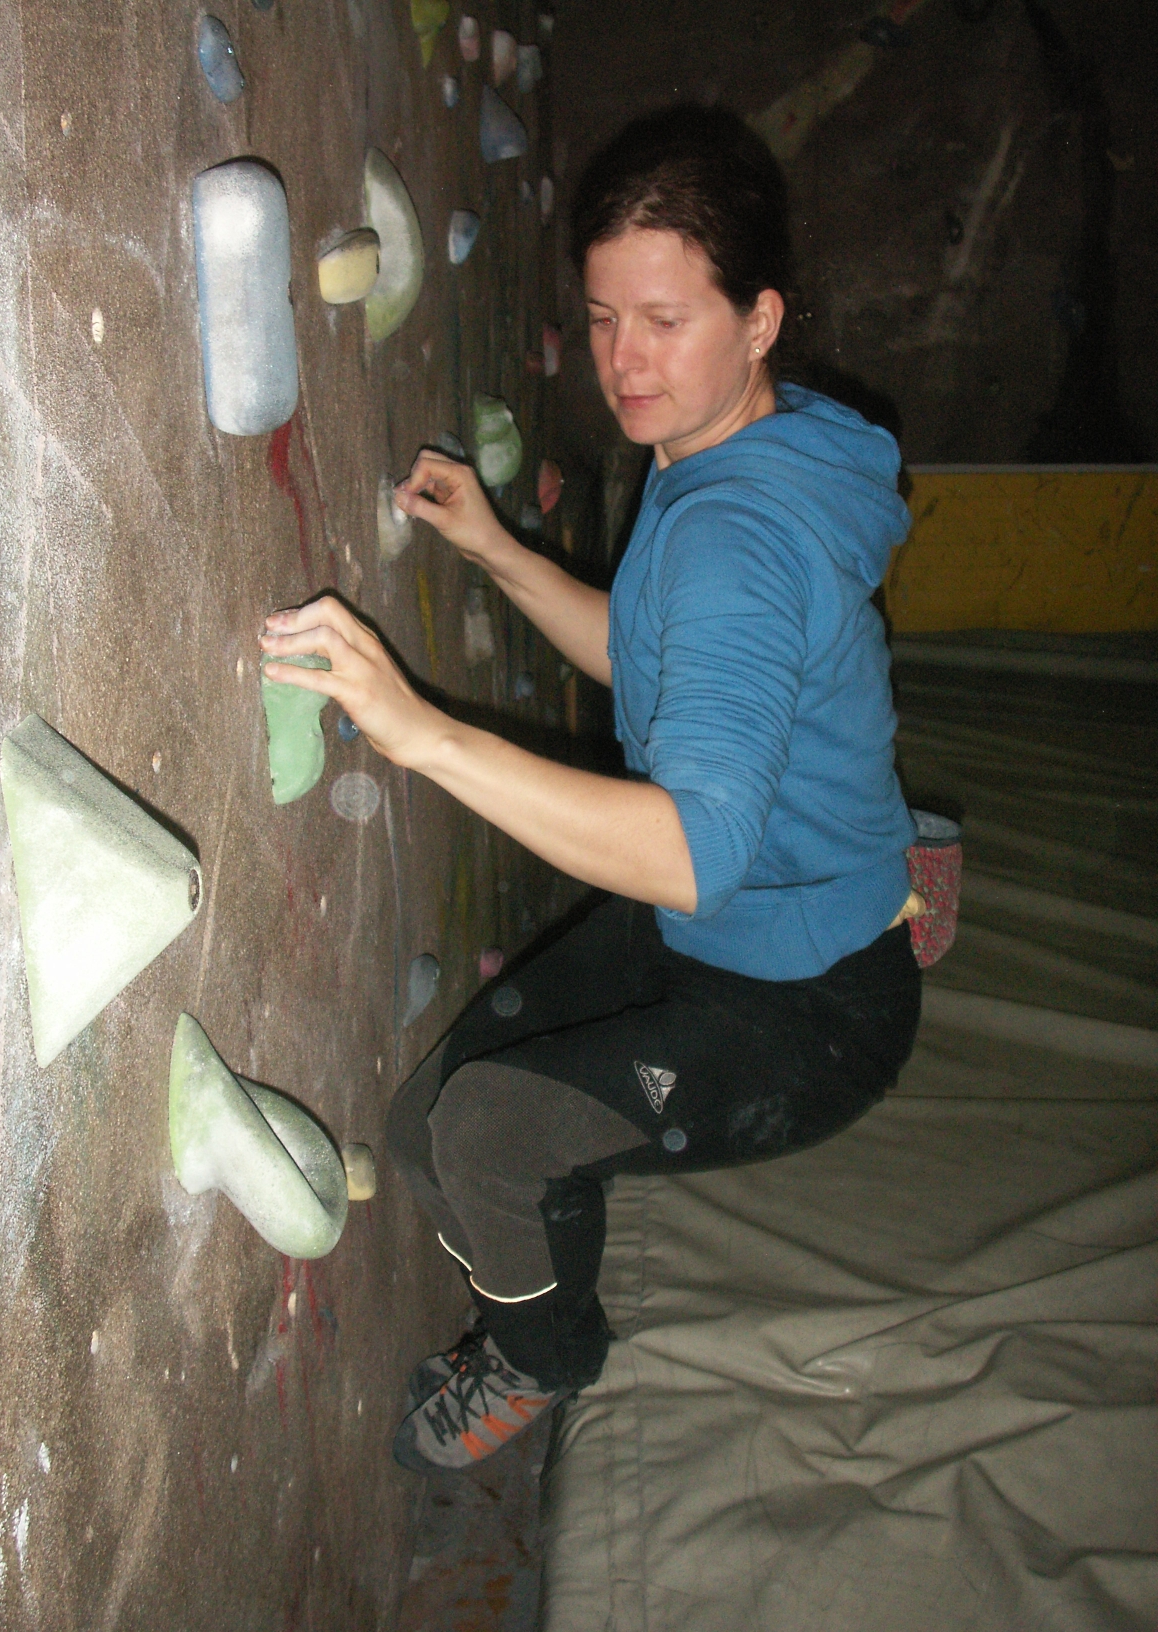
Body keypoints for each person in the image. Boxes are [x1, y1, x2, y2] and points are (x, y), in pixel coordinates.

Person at [259, 109, 924, 1475]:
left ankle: (543, 1359)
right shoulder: (731, 453)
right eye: (604, 317)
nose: (624, 361)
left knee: (488, 1131)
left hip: (805, 1004)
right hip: (737, 923)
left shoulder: (739, 532)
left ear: (760, 322)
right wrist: (499, 551)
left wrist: (418, 729)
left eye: (666, 321)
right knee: (425, 1124)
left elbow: (692, 851)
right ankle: (543, 1263)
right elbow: (648, 650)